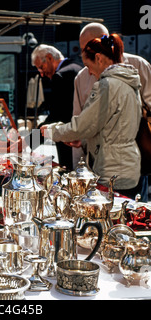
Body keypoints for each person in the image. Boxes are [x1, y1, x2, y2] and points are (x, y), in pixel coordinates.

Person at [41, 33, 142, 199]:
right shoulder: (129, 82)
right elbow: (112, 127)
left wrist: (52, 132)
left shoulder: (107, 85)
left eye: (87, 65)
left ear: (99, 58)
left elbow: (82, 126)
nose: (88, 72)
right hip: (128, 166)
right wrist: (85, 140)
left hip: (112, 170)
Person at [72, 22, 151, 202]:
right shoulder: (82, 77)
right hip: (99, 168)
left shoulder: (139, 65)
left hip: (134, 164)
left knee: (134, 216)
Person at [31, 44, 82, 169]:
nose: (42, 74)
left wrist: (29, 141)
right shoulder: (78, 66)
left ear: (49, 58)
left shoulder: (60, 76)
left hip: (69, 141)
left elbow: (55, 116)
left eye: (41, 68)